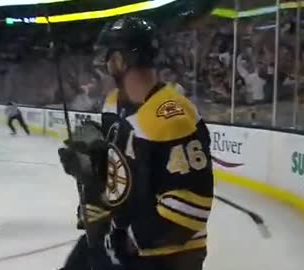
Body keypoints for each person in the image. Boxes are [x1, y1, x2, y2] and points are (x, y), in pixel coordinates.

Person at [58, 17, 214, 270]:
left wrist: (124, 238)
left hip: (166, 256)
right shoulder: (113, 104)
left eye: (107, 57)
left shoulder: (171, 118)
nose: (104, 65)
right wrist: (94, 182)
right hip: (125, 241)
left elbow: (190, 211)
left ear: (120, 61)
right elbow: (120, 178)